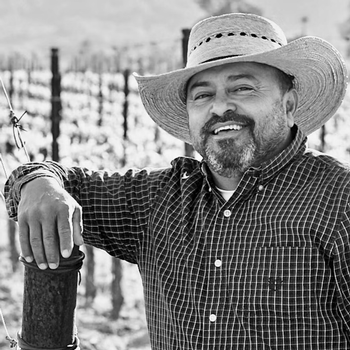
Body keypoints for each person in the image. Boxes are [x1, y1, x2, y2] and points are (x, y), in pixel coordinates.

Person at [4, 12, 350, 349]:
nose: (219, 107)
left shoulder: (339, 201)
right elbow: (55, 184)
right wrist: (38, 184)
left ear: (289, 104)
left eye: (243, 88)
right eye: (202, 95)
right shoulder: (157, 199)